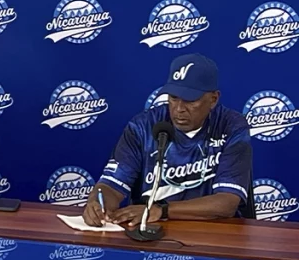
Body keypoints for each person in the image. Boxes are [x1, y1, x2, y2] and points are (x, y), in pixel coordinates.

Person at [82, 53, 253, 228]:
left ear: (213, 99)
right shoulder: (143, 126)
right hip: (151, 231)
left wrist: (161, 210)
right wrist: (97, 203)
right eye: (173, 98)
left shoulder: (232, 126)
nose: (179, 109)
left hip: (213, 232)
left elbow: (226, 203)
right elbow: (111, 186)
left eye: (190, 100)